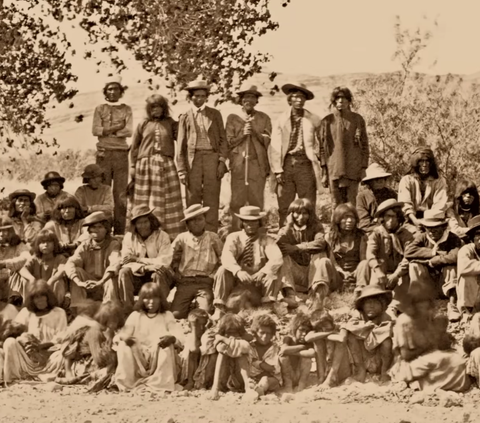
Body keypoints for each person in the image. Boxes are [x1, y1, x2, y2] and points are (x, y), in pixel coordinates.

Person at [389, 284, 470, 392]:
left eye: (428, 305)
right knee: (447, 361)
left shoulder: (427, 317)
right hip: (410, 362)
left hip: (430, 356)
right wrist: (432, 343)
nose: (428, 309)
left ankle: (438, 383)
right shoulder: (405, 322)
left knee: (458, 361)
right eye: (422, 305)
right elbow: (406, 355)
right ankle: (423, 384)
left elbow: (442, 342)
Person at [212, 206, 283, 320]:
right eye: (247, 222)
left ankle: (267, 308)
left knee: (273, 271)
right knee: (222, 270)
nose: (251, 225)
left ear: (259, 223)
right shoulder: (234, 237)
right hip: (238, 282)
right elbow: (226, 256)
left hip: (258, 283)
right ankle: (219, 309)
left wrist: (263, 272)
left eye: (254, 222)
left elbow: (277, 258)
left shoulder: (266, 239)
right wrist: (238, 271)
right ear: (242, 222)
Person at [130, 94, 185, 240]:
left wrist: (182, 122)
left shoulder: (170, 123)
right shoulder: (143, 124)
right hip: (145, 167)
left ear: (164, 108)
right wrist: (132, 166)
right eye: (153, 107)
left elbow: (181, 137)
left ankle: (169, 237)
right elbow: (134, 147)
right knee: (146, 202)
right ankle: (144, 235)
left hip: (166, 166)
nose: (156, 110)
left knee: (168, 201)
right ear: (149, 109)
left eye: (159, 107)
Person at [177, 77, 228, 232]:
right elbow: (181, 146)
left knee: (212, 195)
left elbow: (222, 140)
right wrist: (182, 170)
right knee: (193, 196)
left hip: (212, 158)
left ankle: (211, 232)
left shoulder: (215, 114)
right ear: (190, 97)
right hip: (193, 160)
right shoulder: (185, 117)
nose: (199, 99)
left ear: (207, 97)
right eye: (195, 96)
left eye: (202, 96)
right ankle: (193, 231)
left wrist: (221, 161)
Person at [268, 82, 322, 226]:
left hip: (305, 164)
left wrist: (318, 157)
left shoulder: (314, 119)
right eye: (296, 97)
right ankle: (285, 236)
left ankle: (309, 235)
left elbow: (322, 141)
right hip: (286, 165)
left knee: (307, 203)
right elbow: (274, 146)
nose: (299, 100)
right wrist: (278, 170)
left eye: (302, 97)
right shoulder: (281, 119)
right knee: (284, 204)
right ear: (290, 99)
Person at [114, 282, 184, 391]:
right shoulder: (135, 315)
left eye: (155, 298)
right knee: (123, 346)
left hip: (157, 356)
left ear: (160, 299)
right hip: (139, 357)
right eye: (146, 298)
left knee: (165, 345)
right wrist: (125, 338)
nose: (151, 302)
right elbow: (123, 334)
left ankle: (160, 384)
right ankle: (126, 383)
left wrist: (172, 338)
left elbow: (179, 335)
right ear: (142, 299)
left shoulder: (167, 315)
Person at [2, 280, 68, 383]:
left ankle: (45, 376)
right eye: (36, 297)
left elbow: (61, 338)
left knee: (63, 353)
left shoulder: (59, 313)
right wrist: (25, 341)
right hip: (28, 358)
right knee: (9, 342)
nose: (40, 300)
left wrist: (41, 346)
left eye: (42, 296)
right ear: (31, 299)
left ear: (48, 297)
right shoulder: (25, 313)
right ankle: (14, 377)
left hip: (48, 359)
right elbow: (14, 332)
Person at [226, 85, 272, 229]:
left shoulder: (264, 118)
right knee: (236, 201)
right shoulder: (232, 118)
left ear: (256, 100)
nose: (249, 100)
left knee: (256, 200)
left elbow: (268, 140)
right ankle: (235, 232)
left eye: (252, 97)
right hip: (239, 165)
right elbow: (229, 142)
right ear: (241, 100)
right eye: (246, 97)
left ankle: (258, 232)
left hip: (257, 165)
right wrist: (243, 134)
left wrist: (255, 132)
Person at [92, 75, 133, 235]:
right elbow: (95, 130)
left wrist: (106, 130)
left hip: (121, 154)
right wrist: (116, 128)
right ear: (105, 91)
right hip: (103, 154)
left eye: (116, 88)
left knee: (120, 194)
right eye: (110, 89)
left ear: (120, 91)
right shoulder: (100, 109)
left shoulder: (126, 109)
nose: (113, 92)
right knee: (104, 192)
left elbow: (128, 131)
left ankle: (120, 232)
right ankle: (105, 230)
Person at [404, 210, 462, 322]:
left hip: (445, 283)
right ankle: (418, 304)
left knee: (451, 267)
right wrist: (433, 253)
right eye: (428, 228)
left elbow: (454, 256)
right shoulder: (422, 237)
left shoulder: (452, 238)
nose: (431, 231)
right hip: (428, 285)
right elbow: (409, 252)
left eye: (436, 228)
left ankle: (452, 304)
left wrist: (435, 261)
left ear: (443, 227)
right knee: (414, 266)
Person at [318, 87, 369, 211]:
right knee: (336, 204)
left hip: (353, 168)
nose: (341, 101)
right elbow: (321, 149)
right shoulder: (326, 121)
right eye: (338, 98)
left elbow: (365, 145)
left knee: (351, 203)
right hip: (334, 169)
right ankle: (335, 230)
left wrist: (363, 168)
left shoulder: (357, 119)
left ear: (349, 101)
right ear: (334, 101)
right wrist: (324, 172)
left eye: (344, 98)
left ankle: (352, 229)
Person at [171, 204, 223, 319]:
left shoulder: (213, 237)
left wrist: (212, 275)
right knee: (176, 314)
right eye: (192, 220)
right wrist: (176, 271)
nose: (196, 223)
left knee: (203, 315)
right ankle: (186, 305)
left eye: (200, 219)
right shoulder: (181, 238)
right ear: (187, 224)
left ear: (204, 220)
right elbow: (171, 256)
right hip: (185, 281)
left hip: (205, 282)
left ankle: (201, 306)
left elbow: (222, 259)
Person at [119, 206, 174, 311]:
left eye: (145, 222)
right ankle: (128, 309)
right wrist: (145, 268)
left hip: (160, 277)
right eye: (139, 223)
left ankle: (159, 308)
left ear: (151, 221)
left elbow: (164, 261)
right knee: (123, 272)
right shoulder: (129, 237)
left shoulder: (162, 236)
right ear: (134, 225)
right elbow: (126, 261)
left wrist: (138, 259)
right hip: (138, 276)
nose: (142, 226)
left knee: (158, 271)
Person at [276, 198, 327, 309]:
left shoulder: (316, 227)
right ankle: (291, 295)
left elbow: (321, 243)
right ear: (291, 214)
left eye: (305, 213)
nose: (301, 217)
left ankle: (314, 295)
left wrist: (296, 247)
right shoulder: (285, 229)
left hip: (312, 272)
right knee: (282, 257)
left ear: (310, 214)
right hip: (295, 274)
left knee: (320, 255)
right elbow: (276, 246)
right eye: (297, 213)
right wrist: (288, 226)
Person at [65, 212, 122, 308]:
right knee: (77, 271)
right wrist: (79, 282)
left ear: (106, 229)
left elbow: (115, 263)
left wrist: (101, 282)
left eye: (100, 227)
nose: (96, 231)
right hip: (88, 284)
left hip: (105, 283)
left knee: (112, 277)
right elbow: (71, 262)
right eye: (93, 228)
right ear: (89, 231)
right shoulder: (85, 245)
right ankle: (79, 308)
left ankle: (108, 309)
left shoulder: (113, 244)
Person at [337, 285, 394, 383]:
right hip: (362, 355)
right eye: (368, 303)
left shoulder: (385, 316)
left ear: (382, 306)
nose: (371, 306)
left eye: (376, 303)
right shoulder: (359, 314)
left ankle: (384, 372)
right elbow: (349, 325)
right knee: (351, 336)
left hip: (378, 357)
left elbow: (390, 326)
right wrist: (364, 327)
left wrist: (376, 330)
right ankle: (360, 370)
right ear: (362, 306)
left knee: (387, 340)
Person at [366, 199, 413, 316]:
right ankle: (376, 303)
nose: (391, 220)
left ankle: (394, 307)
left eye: (394, 217)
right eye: (388, 216)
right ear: (382, 217)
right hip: (382, 272)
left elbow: (408, 256)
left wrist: (396, 275)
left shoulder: (406, 234)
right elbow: (370, 254)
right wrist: (378, 271)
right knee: (377, 265)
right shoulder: (377, 234)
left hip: (400, 273)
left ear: (399, 218)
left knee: (411, 271)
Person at [398, 147, 448, 233]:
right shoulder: (406, 180)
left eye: (427, 161)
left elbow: (440, 204)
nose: (424, 164)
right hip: (410, 221)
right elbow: (404, 204)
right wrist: (415, 221)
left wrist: (429, 222)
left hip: (434, 221)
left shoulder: (440, 181)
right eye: (421, 161)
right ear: (416, 163)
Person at [324, 203, 370, 293]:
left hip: (357, 275)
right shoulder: (330, 237)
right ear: (338, 219)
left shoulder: (362, 236)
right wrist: (342, 272)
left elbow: (363, 259)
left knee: (365, 263)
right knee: (324, 262)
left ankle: (360, 291)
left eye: (352, 217)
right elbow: (332, 261)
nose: (349, 221)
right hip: (338, 275)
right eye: (345, 217)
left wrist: (355, 272)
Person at [18, 230, 68, 307]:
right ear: (37, 245)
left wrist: (52, 280)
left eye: (49, 242)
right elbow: (22, 269)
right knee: (25, 280)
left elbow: (62, 270)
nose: (45, 245)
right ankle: (28, 306)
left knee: (58, 282)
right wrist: (32, 279)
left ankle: (56, 307)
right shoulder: (35, 259)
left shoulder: (60, 258)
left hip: (52, 290)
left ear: (55, 244)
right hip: (37, 290)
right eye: (42, 242)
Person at [209, 313, 254, 400]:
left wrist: (226, 340)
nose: (232, 336)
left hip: (238, 378)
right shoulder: (220, 340)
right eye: (229, 333)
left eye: (235, 332)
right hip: (225, 377)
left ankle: (248, 387)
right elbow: (219, 347)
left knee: (241, 355)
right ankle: (215, 387)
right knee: (223, 353)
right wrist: (225, 340)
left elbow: (248, 340)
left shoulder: (238, 340)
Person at [279, 312, 315, 393]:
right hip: (288, 374)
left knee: (307, 359)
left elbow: (312, 353)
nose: (304, 334)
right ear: (295, 329)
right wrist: (301, 347)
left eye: (307, 331)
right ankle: (288, 385)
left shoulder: (307, 343)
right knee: (283, 357)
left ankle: (301, 385)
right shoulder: (288, 339)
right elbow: (284, 350)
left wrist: (296, 351)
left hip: (300, 375)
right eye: (301, 330)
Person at [356, 163, 397, 233]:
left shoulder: (391, 194)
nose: (380, 181)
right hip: (372, 231)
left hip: (393, 228)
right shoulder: (362, 197)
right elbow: (364, 224)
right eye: (376, 179)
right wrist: (380, 228)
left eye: (382, 179)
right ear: (369, 182)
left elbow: (398, 214)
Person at [0, 217, 31, 305]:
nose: (1, 234)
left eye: (5, 231)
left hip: (11, 280)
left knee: (21, 272)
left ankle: (15, 302)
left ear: (11, 231)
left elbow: (27, 258)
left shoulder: (18, 244)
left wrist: (5, 264)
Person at [249, 313, 281, 397]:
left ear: (272, 334)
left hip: (270, 379)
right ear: (255, 332)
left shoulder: (274, 348)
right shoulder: (250, 347)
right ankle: (254, 389)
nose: (265, 336)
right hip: (253, 377)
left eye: (268, 333)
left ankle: (259, 391)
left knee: (265, 380)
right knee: (248, 381)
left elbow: (271, 368)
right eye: (262, 333)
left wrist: (256, 362)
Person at [179, 308, 211, 390]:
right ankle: (190, 381)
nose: (201, 328)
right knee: (192, 353)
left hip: (203, 365)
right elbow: (193, 349)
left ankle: (202, 382)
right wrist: (193, 327)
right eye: (197, 325)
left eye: (203, 325)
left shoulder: (207, 333)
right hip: (186, 364)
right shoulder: (188, 334)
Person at [457, 216, 480, 318]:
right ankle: (467, 311)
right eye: (478, 234)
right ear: (472, 238)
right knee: (467, 276)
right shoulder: (466, 249)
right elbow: (464, 267)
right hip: (474, 294)